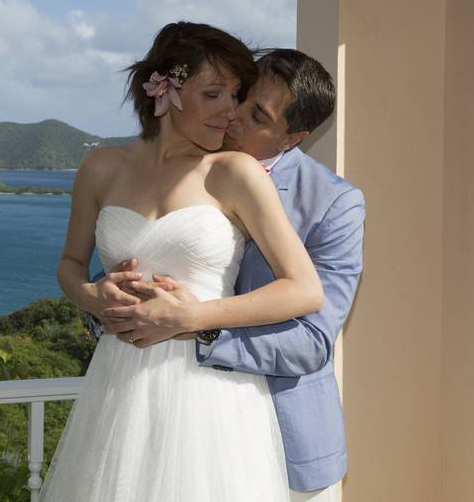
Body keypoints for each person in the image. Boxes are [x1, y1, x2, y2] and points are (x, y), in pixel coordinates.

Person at [39, 23, 324, 502]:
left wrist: (191, 317)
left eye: (235, 95)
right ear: (164, 90)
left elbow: (303, 289)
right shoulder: (101, 167)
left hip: (209, 394)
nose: (229, 111)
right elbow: (70, 263)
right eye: (213, 94)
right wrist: (90, 294)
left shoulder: (234, 173)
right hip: (119, 383)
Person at [92, 48, 366, 502]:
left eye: (256, 114)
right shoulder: (180, 169)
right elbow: (127, 271)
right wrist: (109, 308)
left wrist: (194, 326)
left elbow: (312, 341)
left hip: (285, 447)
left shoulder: (333, 204)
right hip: (165, 427)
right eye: (237, 97)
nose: (232, 116)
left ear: (291, 138)